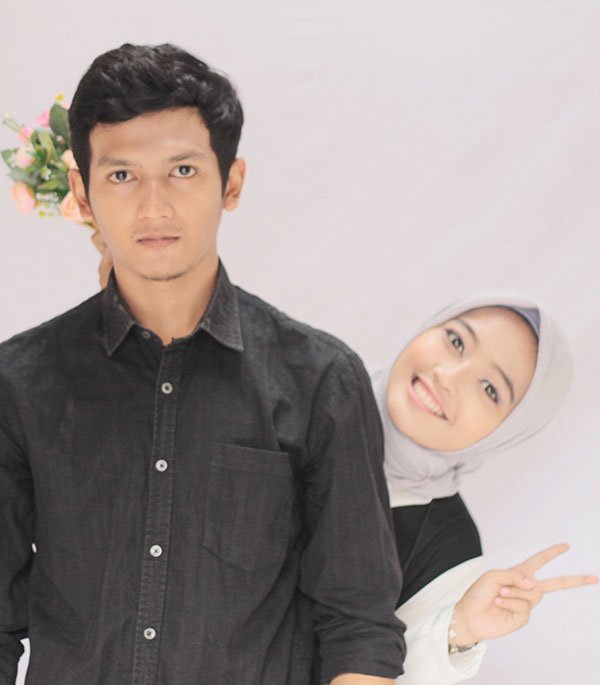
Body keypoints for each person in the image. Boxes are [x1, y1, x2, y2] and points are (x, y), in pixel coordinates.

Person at [0, 43, 407, 685]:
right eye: (122, 175)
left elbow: (359, 630)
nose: (154, 207)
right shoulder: (20, 384)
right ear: (82, 192)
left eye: (183, 171)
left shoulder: (320, 381)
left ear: (232, 183)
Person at [372, 294, 597, 684]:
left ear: (507, 432)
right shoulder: (308, 389)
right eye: (456, 341)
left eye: (490, 389)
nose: (448, 376)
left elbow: (373, 671)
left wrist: (460, 628)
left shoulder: (448, 551)